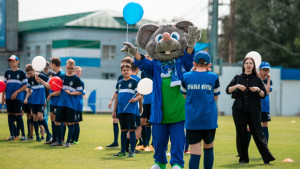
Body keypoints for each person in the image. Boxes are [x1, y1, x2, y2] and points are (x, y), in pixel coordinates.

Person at [226, 57, 275, 164]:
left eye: (250, 63)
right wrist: (237, 86)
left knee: (258, 133)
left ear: (253, 66)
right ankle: (243, 159)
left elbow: (263, 94)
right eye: (246, 63)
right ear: (244, 65)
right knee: (241, 134)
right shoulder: (237, 77)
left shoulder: (257, 79)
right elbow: (227, 90)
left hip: (254, 110)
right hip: (239, 110)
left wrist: (258, 90)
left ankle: (267, 158)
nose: (248, 65)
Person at [181, 51, 220, 169]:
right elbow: (215, 96)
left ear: (194, 63)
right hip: (209, 119)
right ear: (209, 65)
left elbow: (185, 95)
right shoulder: (214, 76)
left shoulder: (186, 76)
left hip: (192, 120)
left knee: (195, 152)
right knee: (208, 148)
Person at [112, 63, 141, 157]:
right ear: (121, 71)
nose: (126, 72)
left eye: (127, 70)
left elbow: (139, 96)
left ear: (130, 71)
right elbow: (116, 98)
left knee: (132, 130)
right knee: (123, 130)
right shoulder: (119, 83)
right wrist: (114, 110)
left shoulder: (134, 82)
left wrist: (134, 100)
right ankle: (122, 151)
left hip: (131, 111)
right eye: (124, 70)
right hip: (121, 111)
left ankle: (132, 151)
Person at [106, 56, 133, 148]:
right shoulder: (120, 78)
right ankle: (116, 141)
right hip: (120, 105)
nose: (122, 65)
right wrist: (111, 101)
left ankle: (132, 144)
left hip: (130, 106)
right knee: (116, 120)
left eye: (124, 63)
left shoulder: (133, 79)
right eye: (122, 64)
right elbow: (117, 91)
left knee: (131, 126)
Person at [24, 64, 52, 142]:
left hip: (41, 101)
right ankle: (38, 137)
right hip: (33, 101)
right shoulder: (29, 79)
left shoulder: (41, 76)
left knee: (40, 116)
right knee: (35, 118)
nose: (29, 75)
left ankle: (49, 133)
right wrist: (26, 98)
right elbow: (29, 91)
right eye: (28, 73)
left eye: (30, 73)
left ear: (34, 70)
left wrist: (41, 81)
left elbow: (50, 82)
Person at [2, 55, 27, 141]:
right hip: (8, 98)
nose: (11, 63)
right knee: (10, 116)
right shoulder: (7, 72)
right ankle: (12, 135)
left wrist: (16, 92)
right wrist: (3, 97)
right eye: (10, 62)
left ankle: (23, 135)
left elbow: (25, 86)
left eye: (13, 61)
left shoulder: (22, 73)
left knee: (18, 116)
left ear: (17, 61)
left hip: (18, 98)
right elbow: (4, 86)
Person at [258, 62, 272, 143]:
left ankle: (265, 148)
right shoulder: (255, 79)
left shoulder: (269, 81)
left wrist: (269, 79)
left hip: (265, 107)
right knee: (249, 128)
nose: (266, 72)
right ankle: (243, 151)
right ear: (260, 70)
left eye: (267, 70)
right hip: (255, 107)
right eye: (264, 70)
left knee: (265, 125)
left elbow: (266, 92)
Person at [73, 66, 85, 144]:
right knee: (70, 122)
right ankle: (71, 138)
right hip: (71, 105)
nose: (77, 72)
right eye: (76, 71)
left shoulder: (81, 82)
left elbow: (82, 94)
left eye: (79, 71)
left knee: (76, 122)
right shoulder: (71, 81)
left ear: (81, 73)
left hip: (77, 106)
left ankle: (76, 140)